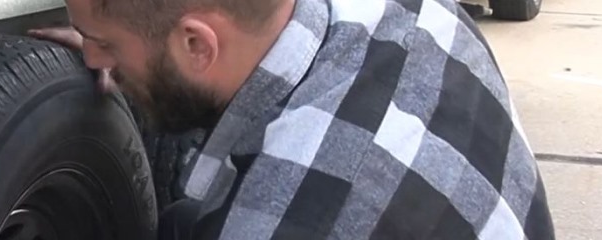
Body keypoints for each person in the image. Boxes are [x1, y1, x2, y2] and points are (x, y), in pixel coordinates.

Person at [28, 0, 555, 239]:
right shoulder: (421, 13)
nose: (94, 60)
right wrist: (139, 54)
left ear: (196, 44)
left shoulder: (283, 219)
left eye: (103, 44)